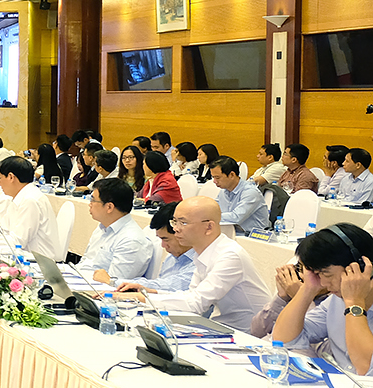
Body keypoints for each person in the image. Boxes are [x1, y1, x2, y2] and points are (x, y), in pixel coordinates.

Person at [117, 195, 271, 329]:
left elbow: (196, 304)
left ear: (209, 227)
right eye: (174, 222)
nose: (176, 229)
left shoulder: (230, 256)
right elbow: (191, 295)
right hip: (223, 327)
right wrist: (149, 292)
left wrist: (142, 299)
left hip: (250, 334)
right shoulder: (204, 251)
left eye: (183, 223)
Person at [250, 224, 373, 375]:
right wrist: (308, 289)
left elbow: (366, 367)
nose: (324, 283)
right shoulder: (336, 300)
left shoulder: (349, 299)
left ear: (360, 267)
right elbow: (283, 338)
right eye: (318, 274)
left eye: (327, 274)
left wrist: (354, 304)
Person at [0, 157, 62, 260]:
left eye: (0, 178)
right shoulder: (17, 198)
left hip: (38, 261)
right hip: (23, 256)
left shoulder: (30, 200)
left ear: (10, 177)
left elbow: (17, 242)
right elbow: (1, 231)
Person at [77, 178, 154, 283]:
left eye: (93, 200)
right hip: (81, 280)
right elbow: (85, 263)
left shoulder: (132, 241)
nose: (89, 204)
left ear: (109, 207)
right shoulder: (102, 228)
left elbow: (114, 284)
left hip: (95, 289)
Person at [136, 203, 198, 292]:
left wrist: (117, 282)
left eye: (166, 239)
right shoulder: (171, 258)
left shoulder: (201, 262)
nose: (163, 245)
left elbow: (168, 287)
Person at [210, 156, 269, 233]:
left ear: (232, 175)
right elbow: (214, 208)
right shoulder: (224, 191)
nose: (214, 181)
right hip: (231, 232)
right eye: (213, 177)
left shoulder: (250, 192)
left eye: (217, 178)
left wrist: (209, 217)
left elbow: (236, 218)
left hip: (251, 235)